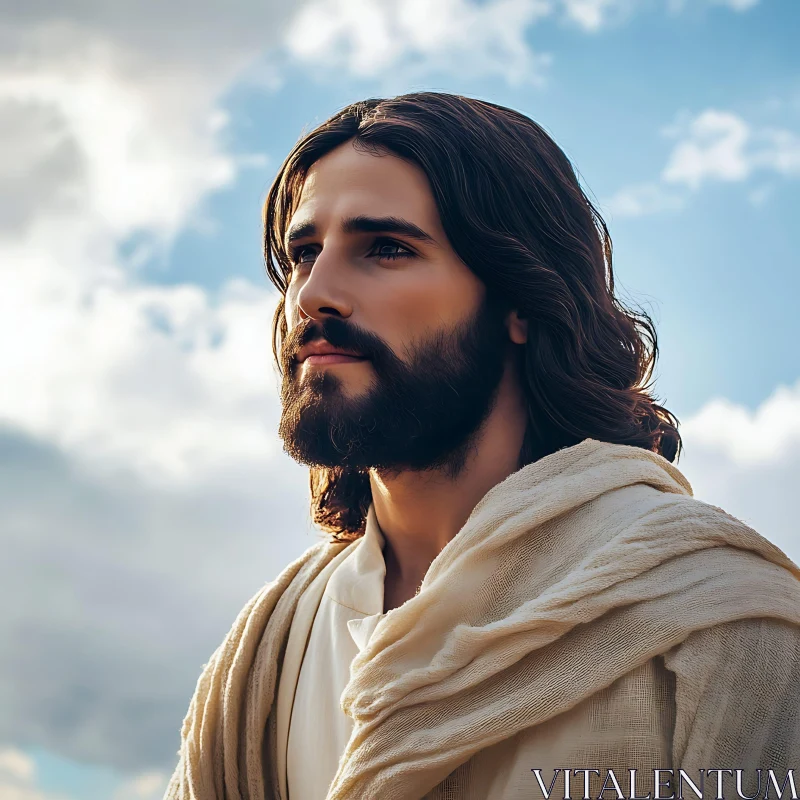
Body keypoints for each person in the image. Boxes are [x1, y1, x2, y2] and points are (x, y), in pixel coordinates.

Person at [165, 93, 800, 800]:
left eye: (386, 249)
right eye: (304, 253)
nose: (315, 294)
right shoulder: (265, 656)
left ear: (521, 300)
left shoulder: (717, 620)